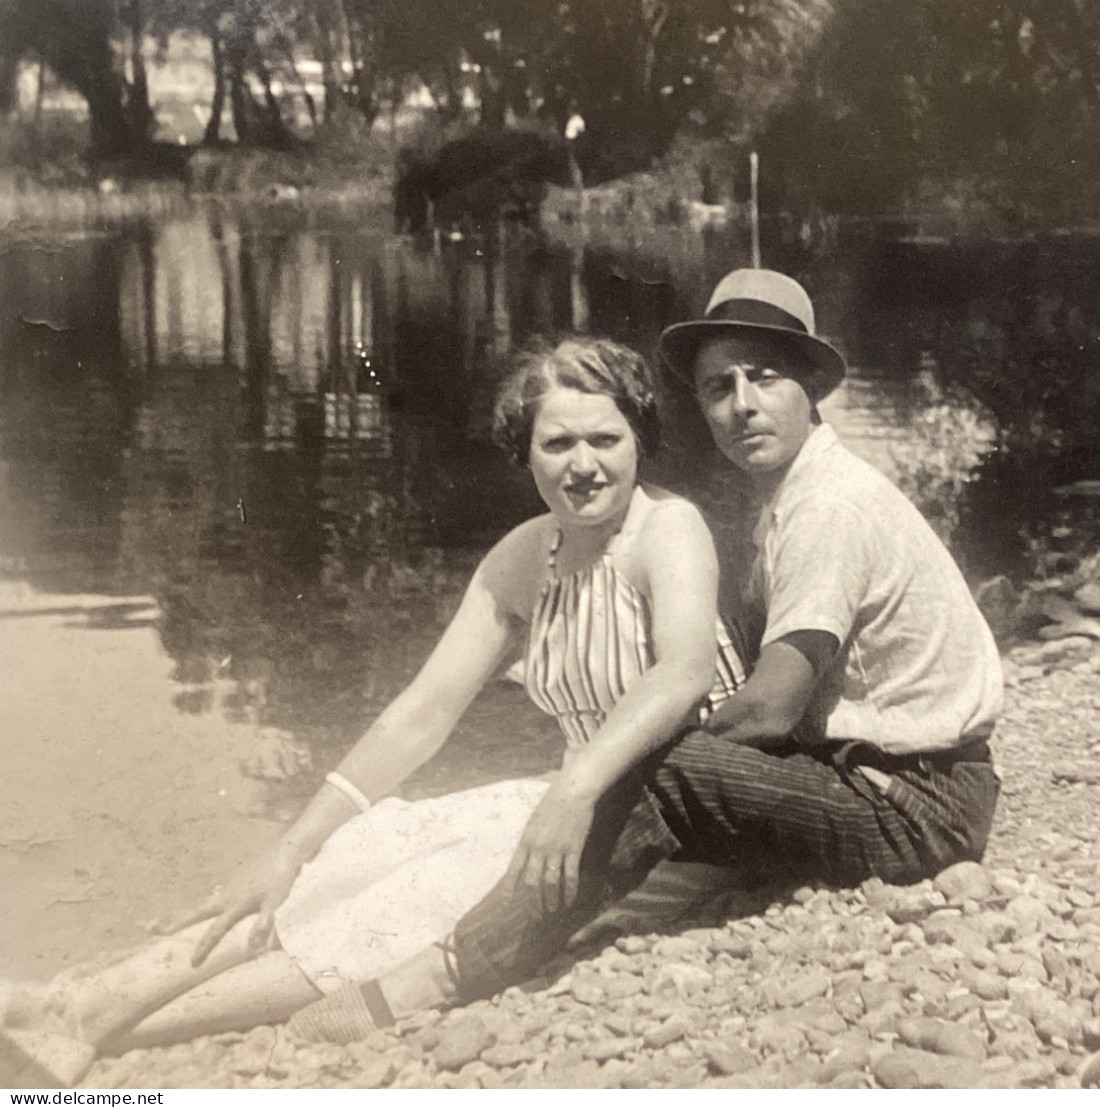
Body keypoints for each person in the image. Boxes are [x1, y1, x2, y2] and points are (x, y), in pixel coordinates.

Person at [271, 267, 1005, 1041]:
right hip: (893, 781)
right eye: (719, 388)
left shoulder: (828, 506)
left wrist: (612, 779)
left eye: (765, 377)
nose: (742, 405)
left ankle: (447, 970)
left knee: (663, 761)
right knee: (656, 763)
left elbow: (774, 705)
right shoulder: (796, 494)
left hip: (914, 806)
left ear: (810, 389)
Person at [0, 336, 746, 1086]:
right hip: (577, 801)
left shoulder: (669, 529)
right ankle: (79, 1003)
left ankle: (97, 1023)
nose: (583, 463)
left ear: (638, 441)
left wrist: (575, 786)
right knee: (361, 847)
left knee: (417, 896)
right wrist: (289, 847)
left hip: (672, 822)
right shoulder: (528, 554)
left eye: (604, 438)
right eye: (556, 442)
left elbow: (681, 675)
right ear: (525, 453)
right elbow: (421, 712)